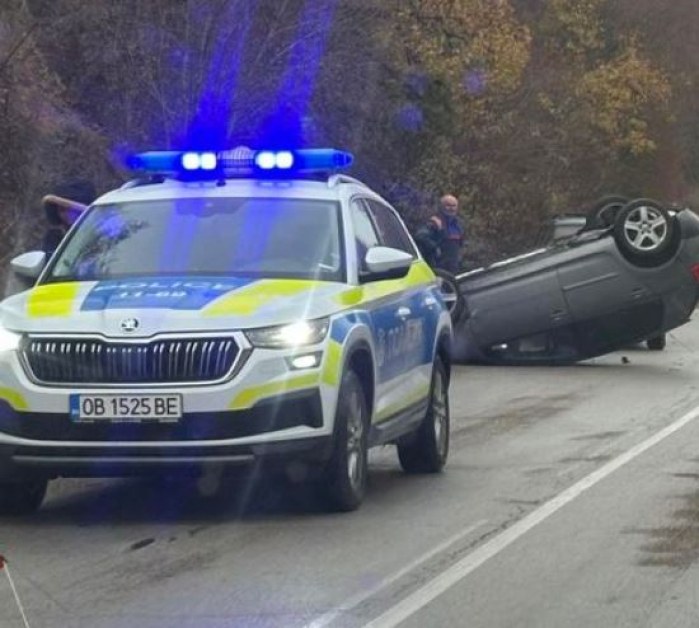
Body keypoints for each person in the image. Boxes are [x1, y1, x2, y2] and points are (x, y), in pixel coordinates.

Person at [41, 179, 96, 257]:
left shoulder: (98, 233)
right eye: (62, 210)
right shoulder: (54, 237)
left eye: (73, 210)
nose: (67, 215)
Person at [414, 194, 465, 274]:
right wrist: (435, 248)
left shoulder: (459, 224)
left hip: (454, 268)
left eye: (454, 206)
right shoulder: (434, 222)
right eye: (448, 205)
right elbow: (420, 236)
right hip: (438, 268)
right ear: (441, 207)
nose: (451, 208)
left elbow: (461, 243)